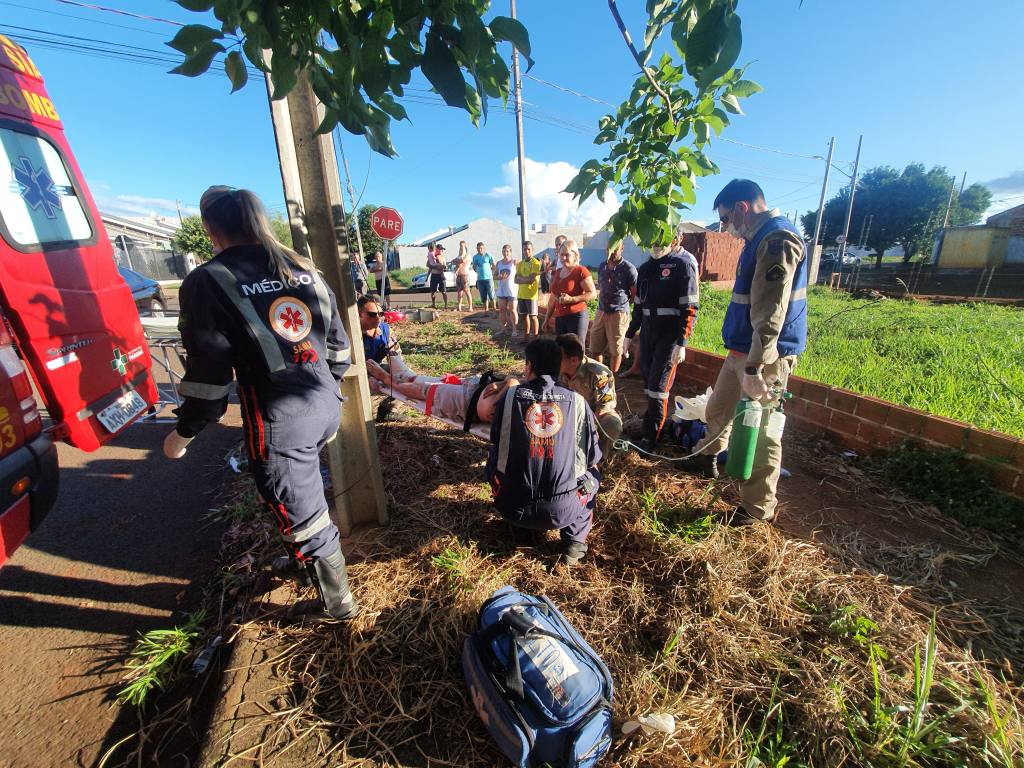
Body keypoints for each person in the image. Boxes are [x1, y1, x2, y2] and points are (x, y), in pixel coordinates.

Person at [162, 186, 359, 621]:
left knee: (301, 510)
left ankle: (339, 605)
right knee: (300, 499)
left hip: (280, 419)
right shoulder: (302, 268)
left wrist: (184, 432)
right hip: (325, 400)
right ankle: (311, 558)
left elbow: (209, 377)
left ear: (211, 229)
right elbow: (340, 349)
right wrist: (322, 388)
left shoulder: (207, 280)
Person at [680, 179, 808, 527]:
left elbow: (771, 309)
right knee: (718, 407)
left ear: (741, 208)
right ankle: (706, 458)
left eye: (725, 219)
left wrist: (756, 366)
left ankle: (756, 509)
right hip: (741, 351)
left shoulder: (777, 239)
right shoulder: (758, 240)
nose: (727, 228)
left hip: (764, 357)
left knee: (762, 430)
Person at [485, 339, 601, 566]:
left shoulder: (509, 397)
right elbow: (591, 457)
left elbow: (496, 440)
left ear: (529, 366)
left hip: (511, 504)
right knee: (594, 472)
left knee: (492, 459)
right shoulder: (577, 401)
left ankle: (521, 531)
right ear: (559, 367)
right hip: (563, 510)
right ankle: (574, 544)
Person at [624, 234, 700, 453]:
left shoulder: (683, 266)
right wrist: (629, 334)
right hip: (648, 332)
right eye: (653, 239)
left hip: (669, 335)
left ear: (675, 239)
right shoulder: (645, 269)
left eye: (662, 238)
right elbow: (638, 307)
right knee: (648, 382)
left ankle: (651, 442)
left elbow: (690, 309)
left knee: (659, 388)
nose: (657, 244)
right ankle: (652, 427)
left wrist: (682, 342)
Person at [556, 333, 621, 461]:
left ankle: (598, 460)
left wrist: (586, 428)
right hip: (567, 414)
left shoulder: (600, 374)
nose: (553, 360)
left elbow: (604, 406)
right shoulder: (557, 370)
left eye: (558, 357)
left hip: (593, 416)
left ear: (574, 360)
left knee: (612, 424)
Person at [589, 241, 637, 373]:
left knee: (615, 350)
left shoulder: (628, 268)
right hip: (601, 311)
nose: (613, 251)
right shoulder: (602, 266)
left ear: (622, 248)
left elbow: (634, 294)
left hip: (618, 313)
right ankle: (600, 376)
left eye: (616, 248)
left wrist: (621, 306)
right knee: (595, 347)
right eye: (610, 248)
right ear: (606, 249)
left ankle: (611, 379)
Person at [544, 239, 596, 340]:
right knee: (561, 350)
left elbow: (593, 293)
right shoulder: (558, 272)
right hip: (560, 317)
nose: (563, 258)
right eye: (561, 254)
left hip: (576, 316)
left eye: (567, 255)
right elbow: (553, 298)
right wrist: (547, 319)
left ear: (575, 255)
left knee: (576, 350)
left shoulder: (581, 271)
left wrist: (572, 299)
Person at [359, 295, 416, 381]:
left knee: (406, 375)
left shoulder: (386, 330)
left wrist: (394, 359)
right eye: (372, 314)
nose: (378, 318)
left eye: (381, 314)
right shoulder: (352, 334)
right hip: (359, 373)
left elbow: (397, 357)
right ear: (359, 314)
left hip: (376, 369)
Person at [515, 240, 541, 340]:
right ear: (522, 251)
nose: (527, 251)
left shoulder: (535, 263)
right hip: (521, 294)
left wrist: (522, 279)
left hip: (531, 296)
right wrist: (525, 279)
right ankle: (526, 337)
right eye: (525, 249)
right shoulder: (519, 264)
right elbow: (515, 280)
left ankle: (535, 338)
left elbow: (531, 280)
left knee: (533, 317)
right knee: (524, 316)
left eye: (529, 249)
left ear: (532, 250)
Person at [494, 244, 518, 336]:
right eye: (504, 251)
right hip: (502, 290)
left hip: (512, 290)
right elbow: (494, 276)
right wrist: (498, 277)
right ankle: (503, 329)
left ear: (510, 252)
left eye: (507, 251)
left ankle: (514, 330)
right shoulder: (499, 263)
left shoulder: (514, 262)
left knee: (513, 311)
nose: (505, 253)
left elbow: (519, 274)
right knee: (502, 310)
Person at [472, 242, 496, 313]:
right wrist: (479, 272)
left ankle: (494, 310)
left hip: (489, 279)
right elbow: (474, 267)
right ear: (476, 249)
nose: (480, 250)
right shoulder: (475, 257)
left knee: (491, 295)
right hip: (480, 279)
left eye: (481, 248)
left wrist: (493, 273)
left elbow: (494, 265)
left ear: (484, 248)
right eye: (478, 248)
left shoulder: (488, 255)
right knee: (483, 296)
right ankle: (486, 311)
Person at [426, 242, 448, 310]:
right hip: (434, 275)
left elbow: (445, 268)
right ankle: (433, 304)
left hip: (441, 275)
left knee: (443, 291)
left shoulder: (443, 258)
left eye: (442, 249)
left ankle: (446, 305)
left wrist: (443, 267)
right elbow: (428, 265)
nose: (442, 251)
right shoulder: (432, 256)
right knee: (433, 291)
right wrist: (427, 277)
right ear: (437, 249)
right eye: (441, 249)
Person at [454, 240, 473, 312]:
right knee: (459, 292)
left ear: (465, 247)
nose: (461, 248)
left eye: (462, 246)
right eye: (460, 246)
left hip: (465, 276)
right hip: (459, 276)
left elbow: (462, 261)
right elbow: (454, 263)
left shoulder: (468, 255)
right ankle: (459, 306)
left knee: (467, 291)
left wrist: (456, 260)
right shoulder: (459, 256)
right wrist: (456, 262)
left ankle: (470, 307)